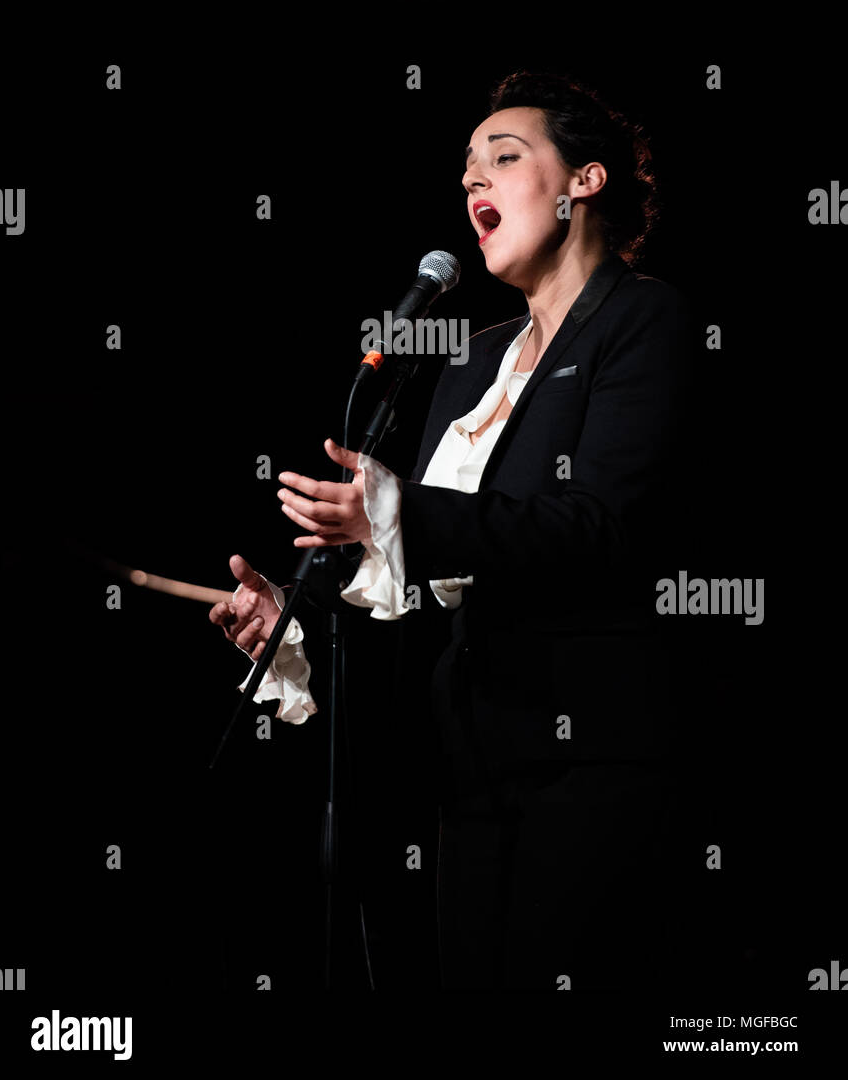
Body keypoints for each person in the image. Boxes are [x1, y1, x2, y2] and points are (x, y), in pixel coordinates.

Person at [208, 70, 698, 990]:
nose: (475, 183)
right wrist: (298, 624)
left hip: (590, 759)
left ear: (581, 182)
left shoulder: (644, 320)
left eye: (503, 159)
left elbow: (594, 527)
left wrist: (394, 511)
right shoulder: (470, 364)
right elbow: (434, 574)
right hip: (469, 770)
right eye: (466, 169)